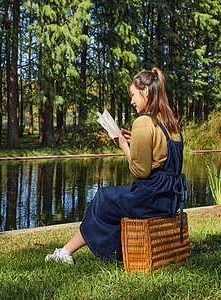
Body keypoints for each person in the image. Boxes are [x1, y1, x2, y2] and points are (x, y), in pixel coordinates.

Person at [45, 67, 187, 264]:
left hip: (151, 197)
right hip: (171, 199)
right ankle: (69, 252)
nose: (132, 101)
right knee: (109, 204)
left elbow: (141, 171)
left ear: (146, 91)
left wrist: (123, 145)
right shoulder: (170, 124)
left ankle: (66, 252)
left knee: (102, 198)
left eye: (133, 94)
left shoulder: (143, 123)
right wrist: (135, 141)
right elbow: (162, 156)